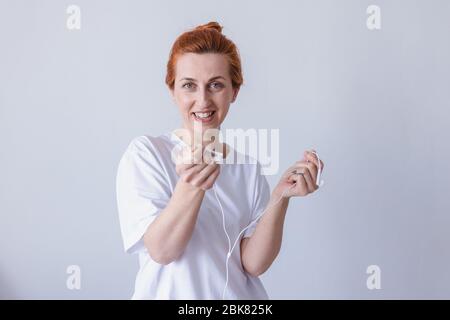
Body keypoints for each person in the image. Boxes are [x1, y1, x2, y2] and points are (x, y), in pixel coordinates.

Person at [116, 21, 325, 299]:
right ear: (173, 90)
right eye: (189, 85)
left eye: (216, 85)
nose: (203, 100)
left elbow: (252, 264)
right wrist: (192, 185)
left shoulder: (248, 169)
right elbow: (162, 251)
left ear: (234, 92)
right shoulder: (147, 154)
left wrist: (280, 196)